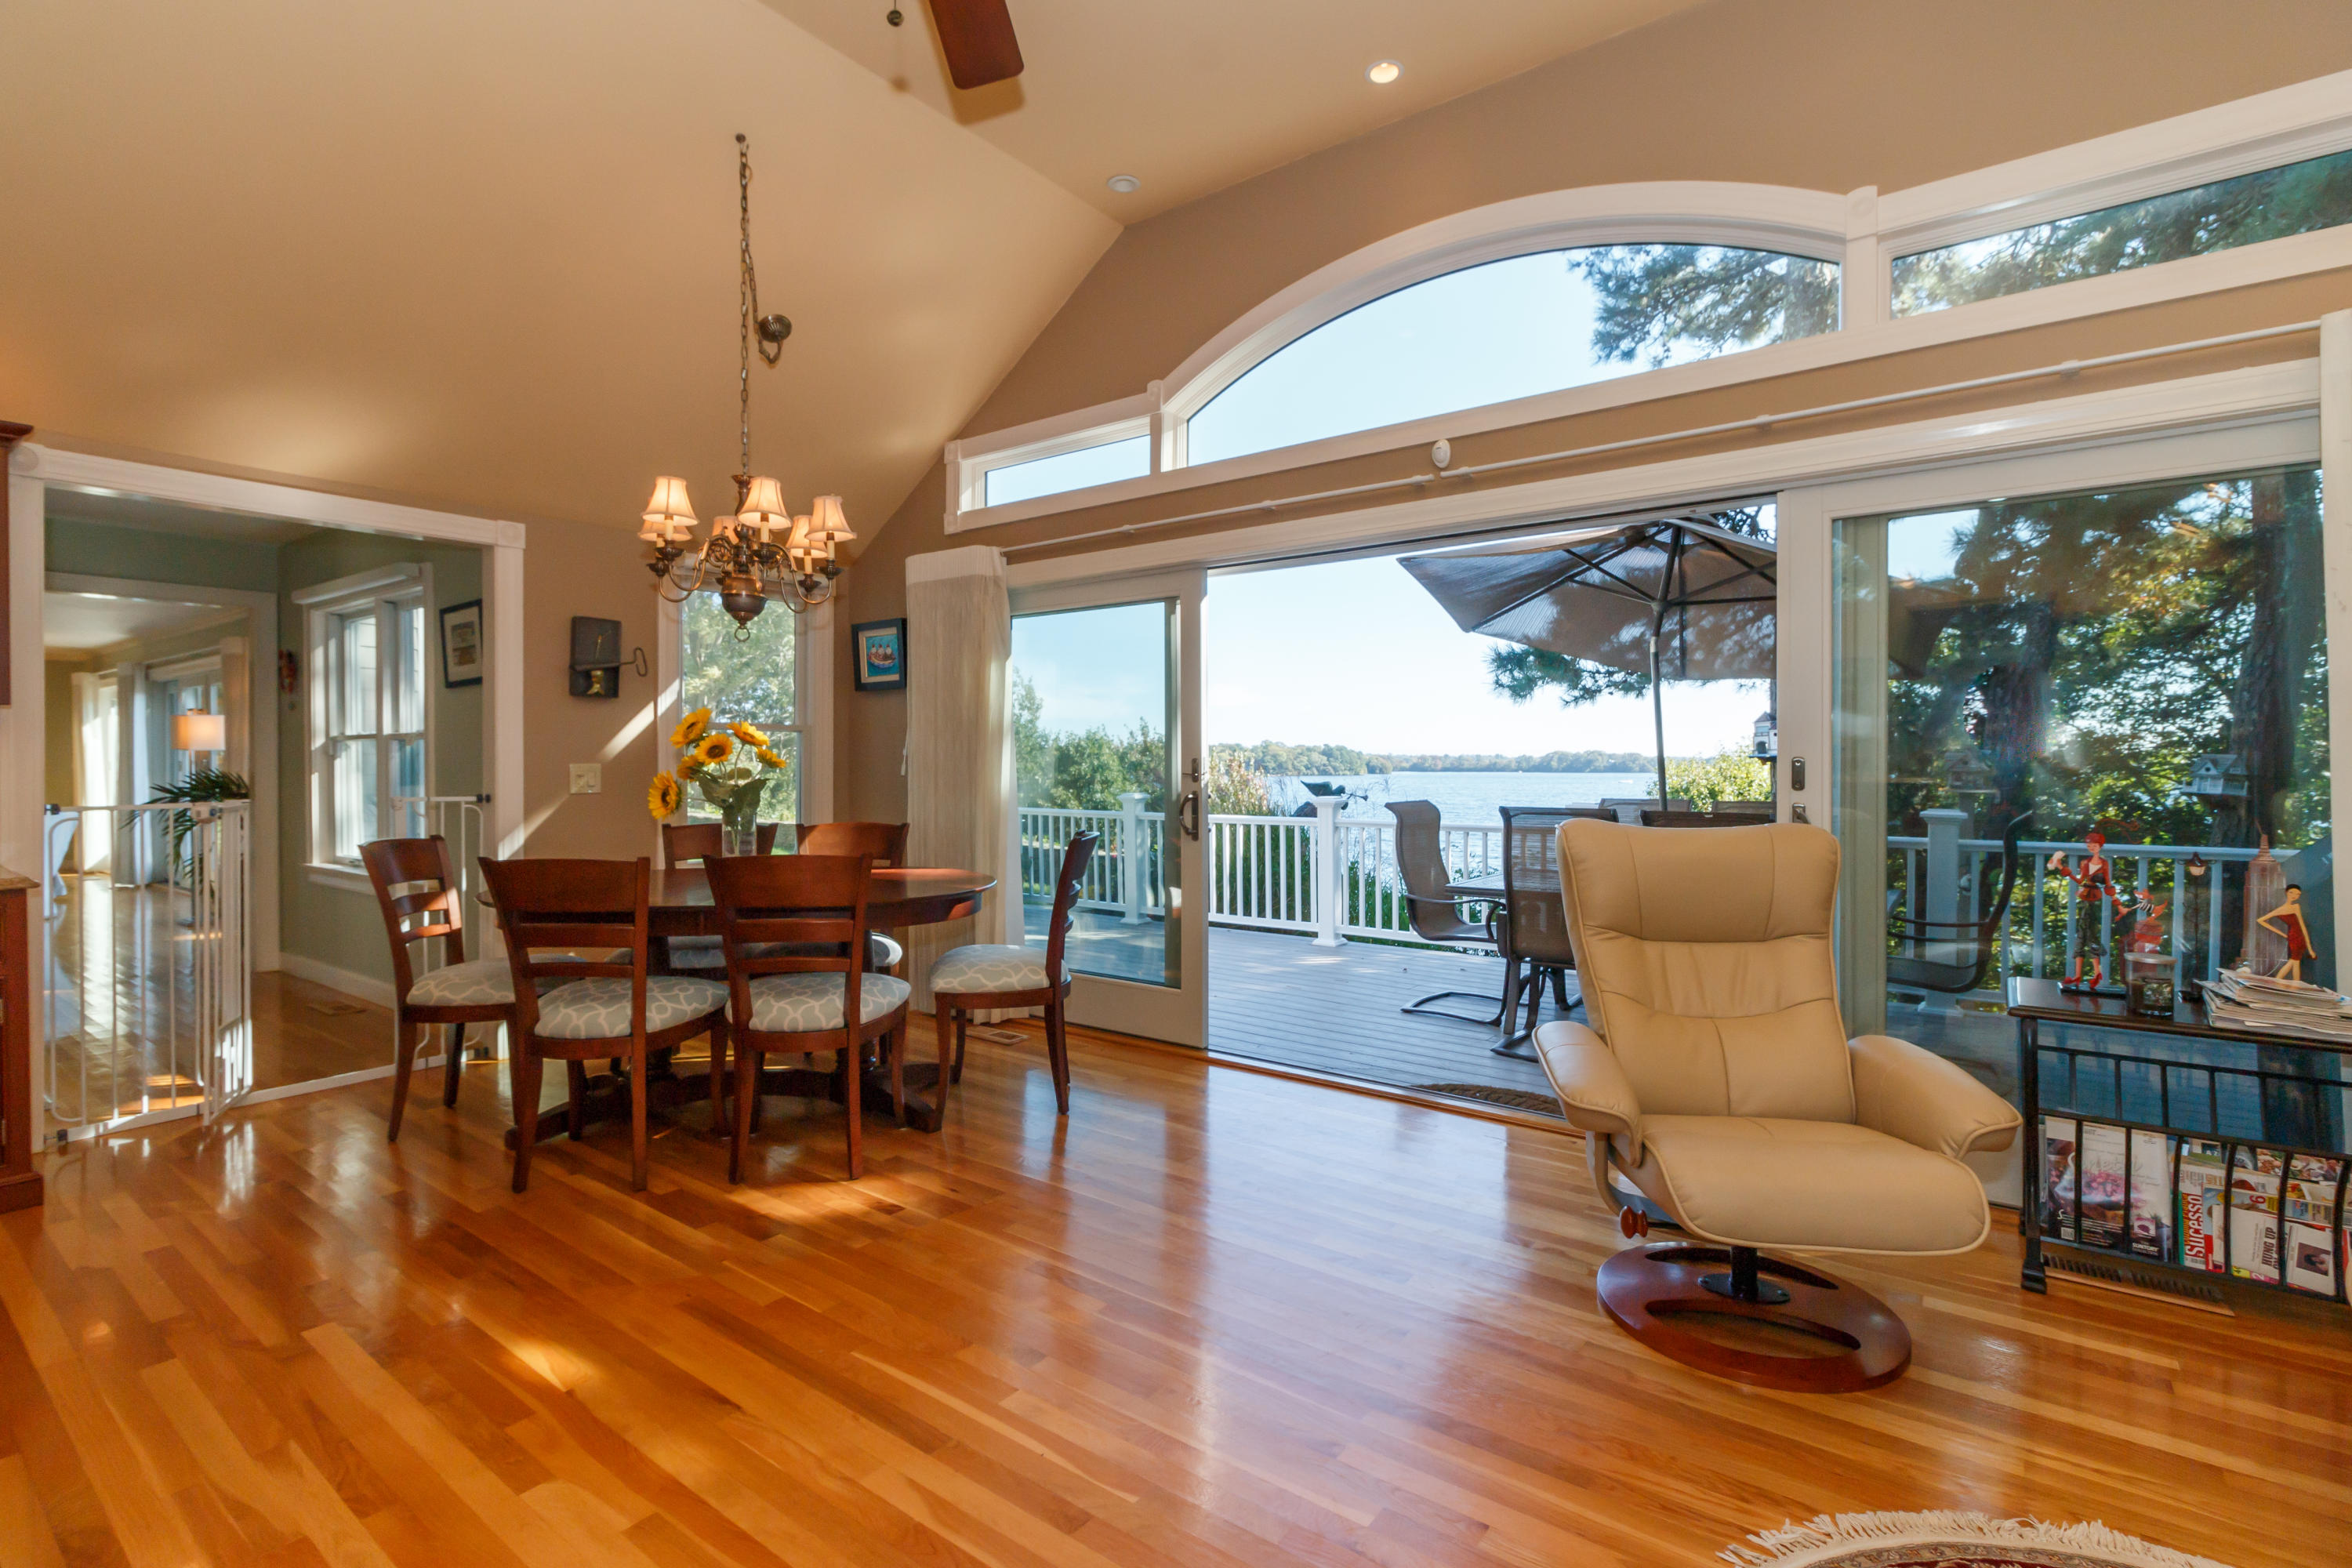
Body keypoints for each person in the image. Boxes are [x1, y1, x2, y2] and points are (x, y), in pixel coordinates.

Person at [2256, 884, 2316, 983]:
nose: (2294, 895)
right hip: (2294, 937)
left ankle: (2293, 984)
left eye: (2298, 894)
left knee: (2295, 962)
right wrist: (2282, 934)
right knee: (2294, 961)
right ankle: (2281, 982)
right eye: (2292, 892)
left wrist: (2310, 949)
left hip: (2300, 937)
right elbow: (2260, 920)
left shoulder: (2296, 906)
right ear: (2286, 893)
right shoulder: (2280, 910)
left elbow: (2303, 926)